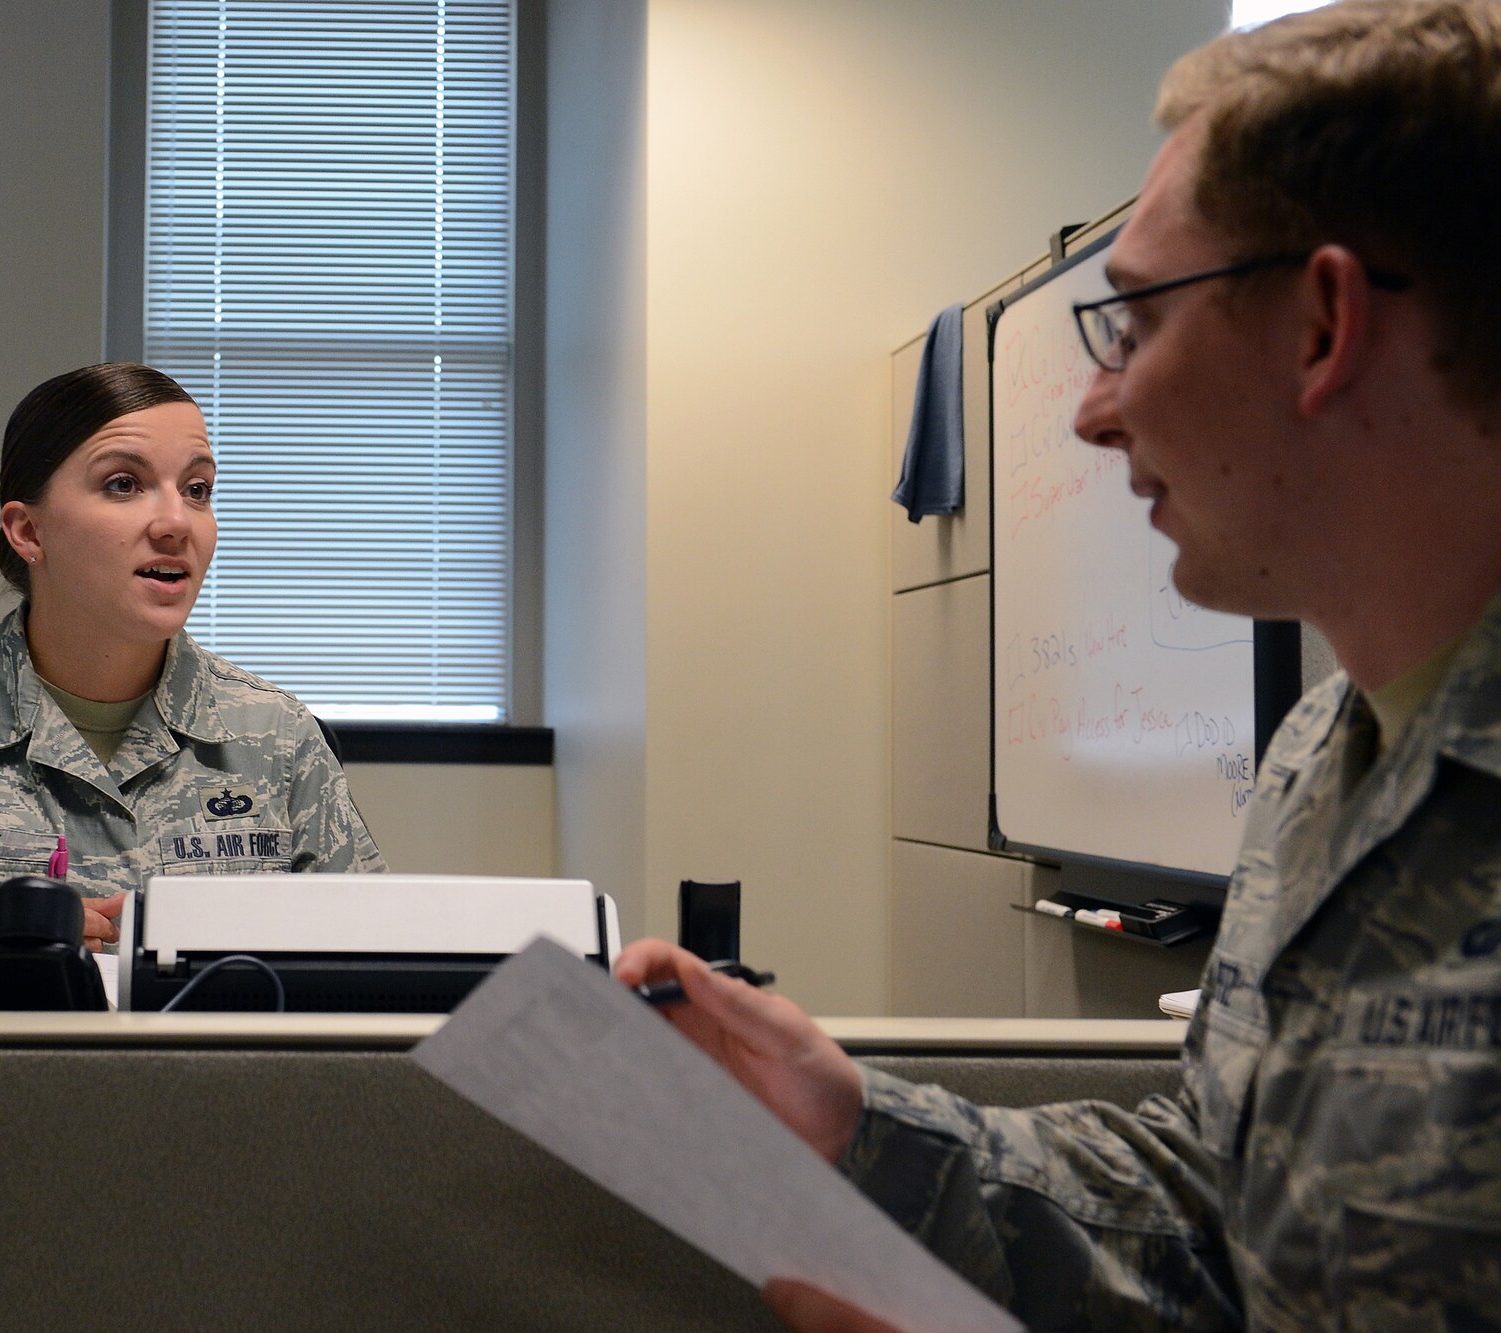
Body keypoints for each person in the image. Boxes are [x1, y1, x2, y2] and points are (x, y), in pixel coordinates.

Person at [617, 2, 1501, 1327]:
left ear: (1322, 323)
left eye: (1132, 322)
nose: (1093, 408)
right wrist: (860, 1129)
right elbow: (1223, 1209)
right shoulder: (1324, 757)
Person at [0, 362, 384, 947]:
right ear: (28, 531)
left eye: (198, 489)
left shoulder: (275, 738)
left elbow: (373, 971)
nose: (177, 522)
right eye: (123, 484)